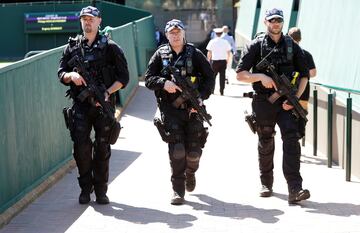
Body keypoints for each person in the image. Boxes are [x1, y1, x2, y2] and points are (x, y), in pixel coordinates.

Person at [236, 8, 311, 204]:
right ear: (265, 22)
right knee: (266, 141)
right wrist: (260, 76)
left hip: (287, 103)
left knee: (292, 142)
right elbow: (240, 74)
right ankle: (266, 183)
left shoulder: (292, 46)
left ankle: (295, 188)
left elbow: (305, 75)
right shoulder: (256, 45)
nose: (276, 23)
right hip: (264, 102)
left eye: (279, 20)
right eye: (272, 20)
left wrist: (294, 97)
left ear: (282, 22)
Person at [57, 6, 129, 205]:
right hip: (80, 106)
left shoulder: (111, 47)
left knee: (102, 148)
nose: (87, 22)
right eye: (84, 19)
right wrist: (70, 75)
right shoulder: (72, 47)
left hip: (104, 106)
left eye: (91, 19)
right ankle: (85, 188)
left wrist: (107, 92)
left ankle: (101, 190)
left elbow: (124, 78)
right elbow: (60, 72)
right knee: (81, 148)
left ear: (99, 21)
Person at [145, 19, 215, 205]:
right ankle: (178, 190)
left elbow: (209, 78)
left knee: (193, 153)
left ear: (183, 33)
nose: (175, 35)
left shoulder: (195, 54)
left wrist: (200, 97)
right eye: (171, 32)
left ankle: (190, 172)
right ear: (167, 35)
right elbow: (149, 79)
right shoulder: (160, 55)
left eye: (178, 32)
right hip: (171, 110)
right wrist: (163, 83)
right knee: (177, 150)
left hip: (193, 110)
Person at [287, 27, 317, 111]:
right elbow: (313, 73)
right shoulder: (307, 54)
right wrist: (302, 74)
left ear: (288, 37)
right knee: (300, 119)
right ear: (300, 38)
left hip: (287, 93)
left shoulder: (284, 53)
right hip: (303, 93)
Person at [206, 27, 231, 95]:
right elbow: (229, 52)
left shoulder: (212, 41)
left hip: (215, 62)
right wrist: (227, 60)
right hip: (223, 61)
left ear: (216, 34)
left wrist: (208, 60)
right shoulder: (225, 42)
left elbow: (209, 52)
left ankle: (212, 90)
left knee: (213, 76)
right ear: (222, 34)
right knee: (222, 77)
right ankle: (221, 91)